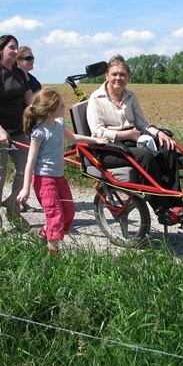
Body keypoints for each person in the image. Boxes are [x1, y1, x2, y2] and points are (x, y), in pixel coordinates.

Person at [86, 54, 183, 225]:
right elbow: (97, 132)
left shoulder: (130, 96)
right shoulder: (96, 99)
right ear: (107, 76)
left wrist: (159, 133)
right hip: (107, 148)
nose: (118, 78)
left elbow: (141, 124)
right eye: (114, 74)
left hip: (131, 142)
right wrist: (127, 134)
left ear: (128, 77)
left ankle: (176, 202)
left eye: (122, 74)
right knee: (144, 157)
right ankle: (162, 210)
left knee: (166, 149)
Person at [17, 87, 108, 254]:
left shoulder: (59, 125)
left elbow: (73, 138)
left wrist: (95, 140)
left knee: (69, 213)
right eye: (61, 106)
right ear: (51, 112)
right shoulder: (39, 133)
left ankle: (43, 233)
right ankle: (54, 255)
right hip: (44, 180)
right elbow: (30, 161)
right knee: (55, 217)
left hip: (59, 178)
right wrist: (25, 187)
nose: (65, 107)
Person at [0, 34, 33, 235]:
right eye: (11, 47)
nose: (14, 50)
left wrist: (42, 116)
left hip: (18, 132)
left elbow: (30, 101)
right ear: (0, 50)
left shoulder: (19, 73)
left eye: (16, 47)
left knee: (27, 169)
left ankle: (11, 208)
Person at [16, 46, 42, 213]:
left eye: (32, 58)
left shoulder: (33, 81)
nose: (31, 61)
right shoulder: (13, 80)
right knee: (21, 166)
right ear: (17, 60)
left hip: (29, 130)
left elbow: (41, 103)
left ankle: (21, 200)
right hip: (13, 128)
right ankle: (16, 202)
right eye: (27, 58)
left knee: (25, 165)